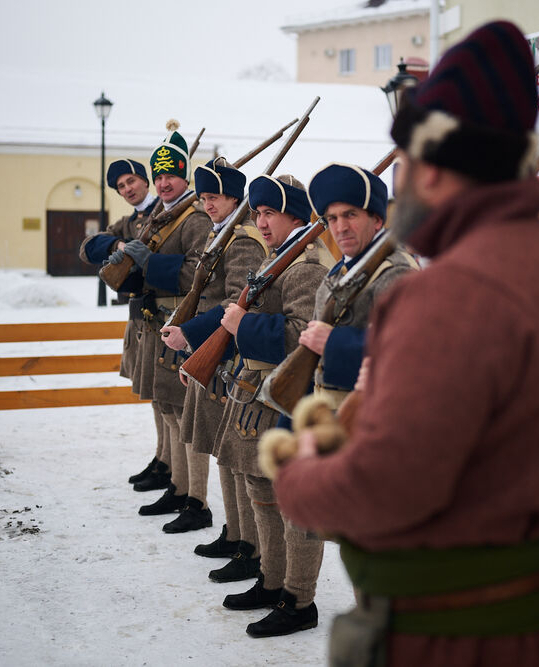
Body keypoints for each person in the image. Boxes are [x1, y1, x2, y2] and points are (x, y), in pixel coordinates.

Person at [271, 20, 539, 666]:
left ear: (437, 165)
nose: (398, 182)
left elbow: (385, 486)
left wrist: (300, 475)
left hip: (464, 642)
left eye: (405, 163)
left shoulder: (443, 296)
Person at [213, 174, 335, 638]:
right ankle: (271, 581)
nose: (260, 222)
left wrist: (243, 325)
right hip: (258, 395)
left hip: (287, 400)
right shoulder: (276, 259)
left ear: (296, 215)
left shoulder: (304, 266)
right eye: (258, 213)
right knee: (261, 495)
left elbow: (301, 338)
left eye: (270, 213)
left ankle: (298, 599)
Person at [105, 130, 214, 527]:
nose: (164, 183)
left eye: (172, 175)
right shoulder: (160, 215)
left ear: (185, 176)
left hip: (181, 324)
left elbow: (199, 272)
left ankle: (195, 500)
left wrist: (148, 263)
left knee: (184, 415)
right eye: (160, 176)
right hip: (157, 323)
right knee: (167, 408)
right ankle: (178, 486)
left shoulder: (195, 217)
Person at [159, 157, 269, 541]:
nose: (207, 204)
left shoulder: (242, 241)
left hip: (227, 353)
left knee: (235, 457)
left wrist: (189, 333)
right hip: (213, 349)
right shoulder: (219, 234)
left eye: (216, 197)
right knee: (224, 453)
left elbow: (235, 306)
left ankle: (247, 542)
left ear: (235, 198)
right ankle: (236, 533)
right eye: (204, 196)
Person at [78, 159, 166, 490]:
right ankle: (163, 459)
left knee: (166, 398)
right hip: (142, 317)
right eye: (121, 187)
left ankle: (172, 468)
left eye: (132, 181)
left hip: (164, 315)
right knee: (155, 396)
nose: (128, 189)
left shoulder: (169, 211)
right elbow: (88, 247)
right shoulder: (128, 223)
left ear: (146, 181)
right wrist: (116, 245)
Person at [299, 162, 418, 406]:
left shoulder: (397, 272)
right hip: (326, 418)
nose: (340, 228)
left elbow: (409, 351)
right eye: (332, 218)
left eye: (350, 215)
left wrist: (333, 343)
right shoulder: (338, 272)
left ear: (376, 219)